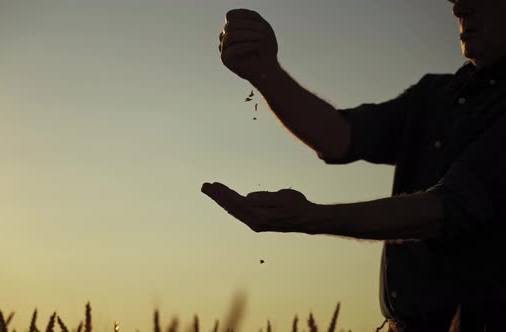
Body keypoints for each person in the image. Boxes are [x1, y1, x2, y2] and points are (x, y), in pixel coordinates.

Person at [201, 1, 506, 331]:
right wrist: (264, 71)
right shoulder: (435, 95)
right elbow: (339, 136)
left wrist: (309, 217)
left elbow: (443, 211)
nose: (460, 8)